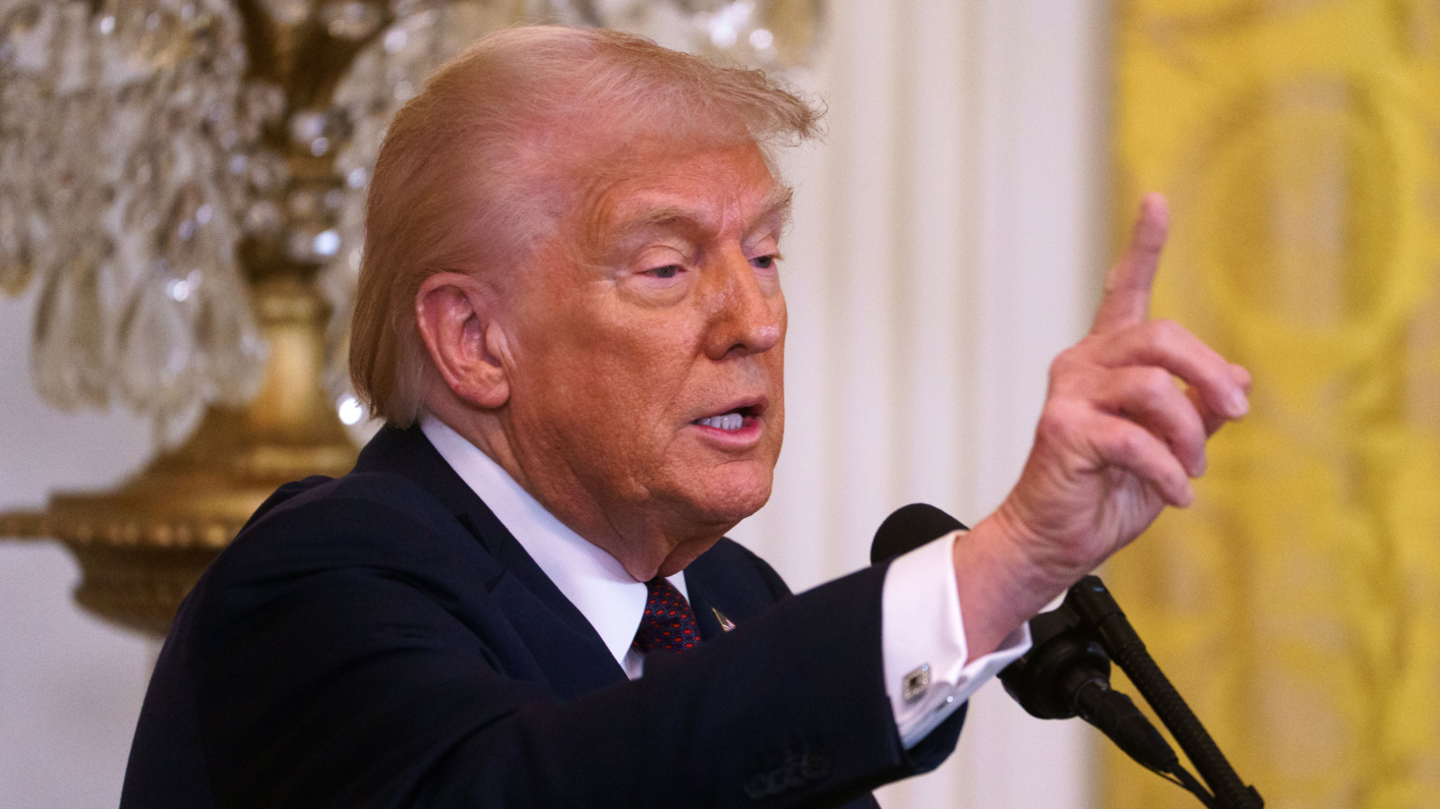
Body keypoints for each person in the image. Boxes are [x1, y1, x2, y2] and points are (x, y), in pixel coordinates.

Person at [119, 26, 1251, 809]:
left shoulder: (728, 603)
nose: (756, 315)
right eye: (668, 266)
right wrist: (1002, 564)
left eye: (766, 252)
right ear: (473, 340)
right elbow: (541, 788)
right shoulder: (319, 579)